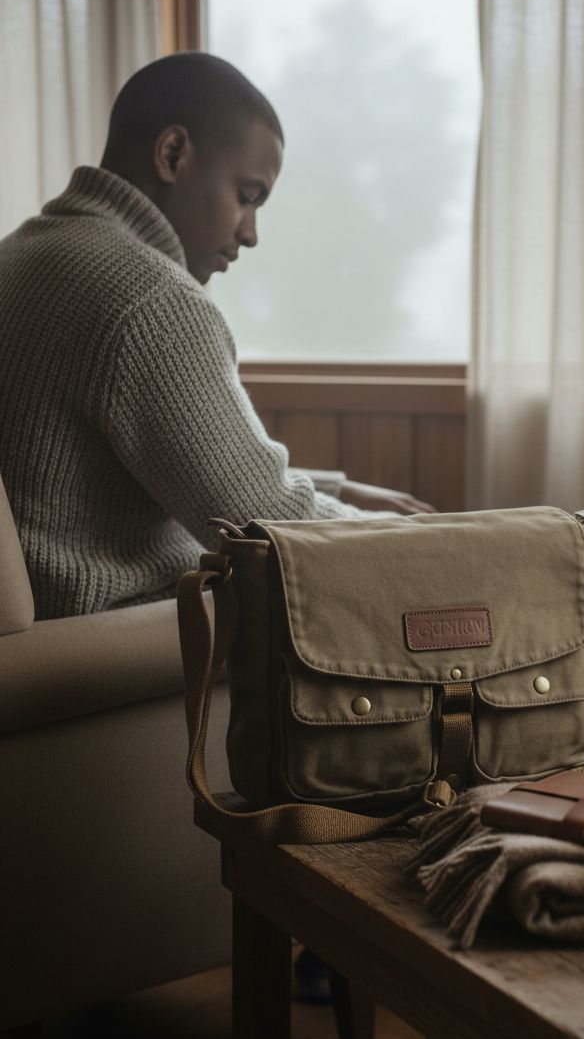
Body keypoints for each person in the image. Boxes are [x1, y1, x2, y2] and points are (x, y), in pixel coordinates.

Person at [0, 52, 432, 621]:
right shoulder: (148, 298)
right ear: (173, 154)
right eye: (247, 196)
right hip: (112, 639)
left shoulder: (19, 256)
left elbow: (163, 470)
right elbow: (274, 527)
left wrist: (342, 490)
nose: (249, 234)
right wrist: (440, 541)